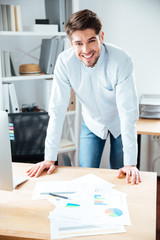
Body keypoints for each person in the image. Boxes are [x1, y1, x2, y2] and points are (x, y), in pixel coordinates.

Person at [27, 9, 141, 185]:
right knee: (86, 177)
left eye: (91, 41)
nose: (86, 50)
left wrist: (131, 163)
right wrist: (49, 158)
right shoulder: (64, 63)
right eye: (78, 43)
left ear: (101, 36)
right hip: (91, 123)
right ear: (71, 44)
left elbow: (127, 113)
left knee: (123, 177)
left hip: (120, 124)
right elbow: (57, 110)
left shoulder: (121, 60)